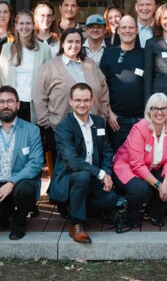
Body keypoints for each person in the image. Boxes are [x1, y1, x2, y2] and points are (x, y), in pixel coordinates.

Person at [33, 27, 111, 175]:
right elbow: (39, 95)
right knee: (65, 170)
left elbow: (104, 90)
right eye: (70, 41)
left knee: (90, 167)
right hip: (60, 128)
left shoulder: (90, 64)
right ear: (62, 43)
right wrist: (46, 122)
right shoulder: (50, 66)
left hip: (91, 127)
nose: (74, 45)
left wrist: (104, 115)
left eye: (77, 42)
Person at [0, 86, 44, 240]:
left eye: (10, 101)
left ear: (18, 104)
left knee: (26, 190)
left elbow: (36, 163)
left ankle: (19, 220)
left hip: (19, 184)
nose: (5, 105)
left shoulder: (32, 130)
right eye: (1, 102)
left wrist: (11, 182)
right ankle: (5, 214)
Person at [50, 83, 119, 244]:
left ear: (92, 101)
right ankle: (76, 223)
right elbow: (73, 161)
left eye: (86, 100)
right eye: (78, 100)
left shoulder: (99, 122)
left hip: (93, 175)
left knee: (110, 199)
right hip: (70, 178)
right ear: (71, 102)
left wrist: (106, 173)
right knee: (83, 176)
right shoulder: (63, 127)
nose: (82, 104)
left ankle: (72, 207)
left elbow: (107, 151)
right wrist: (100, 174)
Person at [113, 93, 167, 228]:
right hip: (127, 166)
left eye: (163, 108)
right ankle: (131, 215)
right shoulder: (139, 128)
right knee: (141, 189)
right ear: (149, 111)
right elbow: (137, 165)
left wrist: (166, 183)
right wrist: (159, 185)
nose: (159, 112)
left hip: (154, 167)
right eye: (155, 108)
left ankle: (154, 212)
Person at [99, 15, 146, 153]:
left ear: (137, 30)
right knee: (117, 161)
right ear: (118, 31)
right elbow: (102, 85)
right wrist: (109, 113)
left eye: (131, 27)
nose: (127, 30)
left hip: (140, 120)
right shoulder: (109, 54)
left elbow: (150, 84)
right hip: (116, 121)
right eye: (123, 27)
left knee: (139, 159)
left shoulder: (145, 54)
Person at [0, 9, 53, 124]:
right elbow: (3, 78)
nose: (25, 27)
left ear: (34, 26)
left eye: (28, 23)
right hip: (12, 103)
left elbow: (49, 79)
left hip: (35, 104)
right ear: (16, 26)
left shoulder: (44, 49)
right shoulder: (6, 49)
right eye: (21, 23)